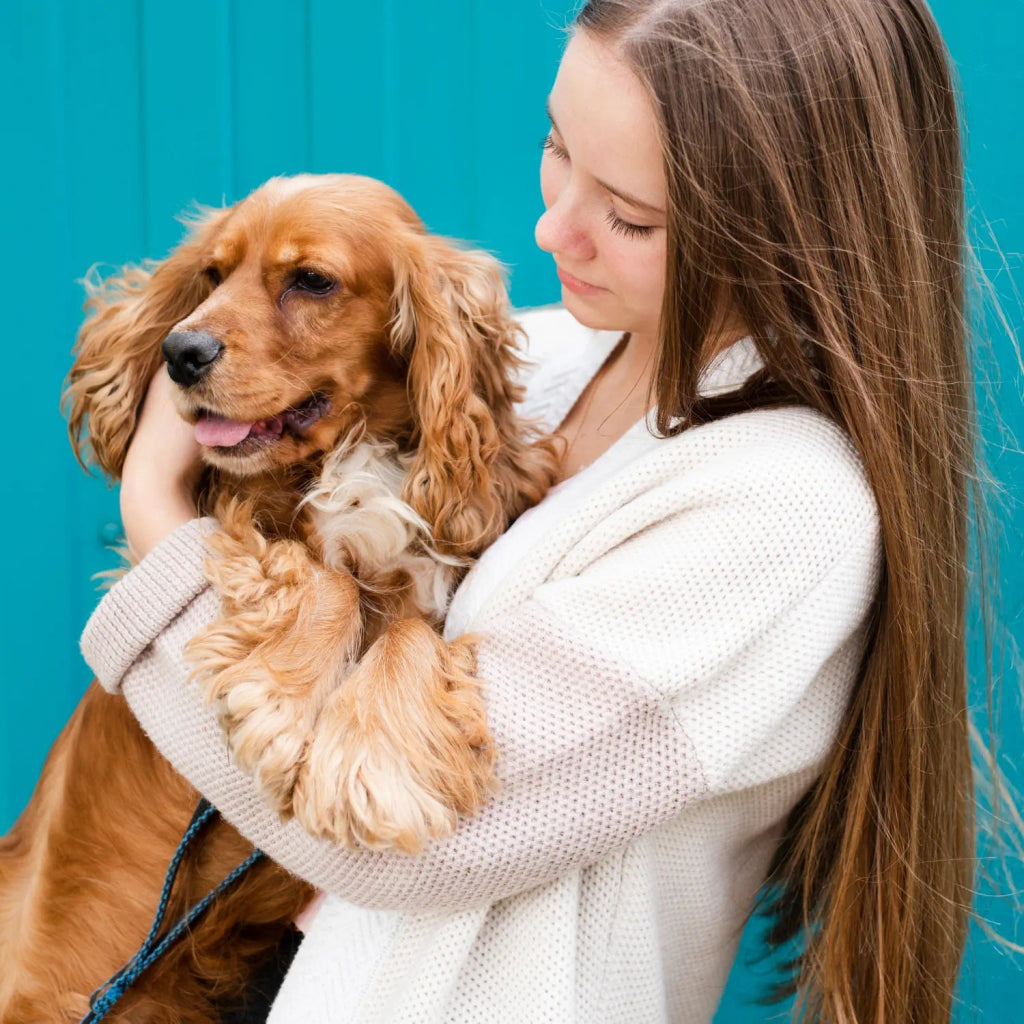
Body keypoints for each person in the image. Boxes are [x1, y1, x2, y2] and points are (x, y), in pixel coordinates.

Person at [79, 0, 1003, 1020]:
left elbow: (413, 839)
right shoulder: (548, 358)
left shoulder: (781, 513)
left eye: (630, 216)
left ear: (782, 230)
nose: (550, 228)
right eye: (557, 149)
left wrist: (159, 521)